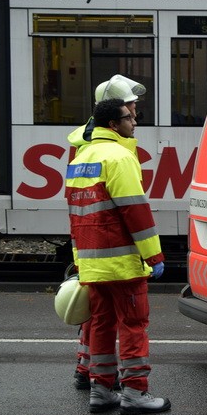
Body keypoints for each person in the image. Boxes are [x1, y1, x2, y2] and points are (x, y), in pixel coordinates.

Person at [65, 98, 170, 415]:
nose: (134, 122)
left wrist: (81, 260)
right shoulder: (119, 157)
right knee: (133, 326)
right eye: (129, 117)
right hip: (123, 264)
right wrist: (154, 256)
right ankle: (136, 392)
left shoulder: (81, 159)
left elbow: (76, 216)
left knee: (100, 326)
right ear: (113, 124)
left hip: (93, 263)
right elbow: (135, 211)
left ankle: (101, 390)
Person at [68, 75, 147, 391]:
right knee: (125, 320)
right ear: (116, 113)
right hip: (115, 251)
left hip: (91, 248)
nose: (136, 114)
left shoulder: (85, 145)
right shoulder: (113, 150)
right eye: (131, 108)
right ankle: (124, 385)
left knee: (98, 316)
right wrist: (151, 253)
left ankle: (89, 371)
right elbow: (132, 209)